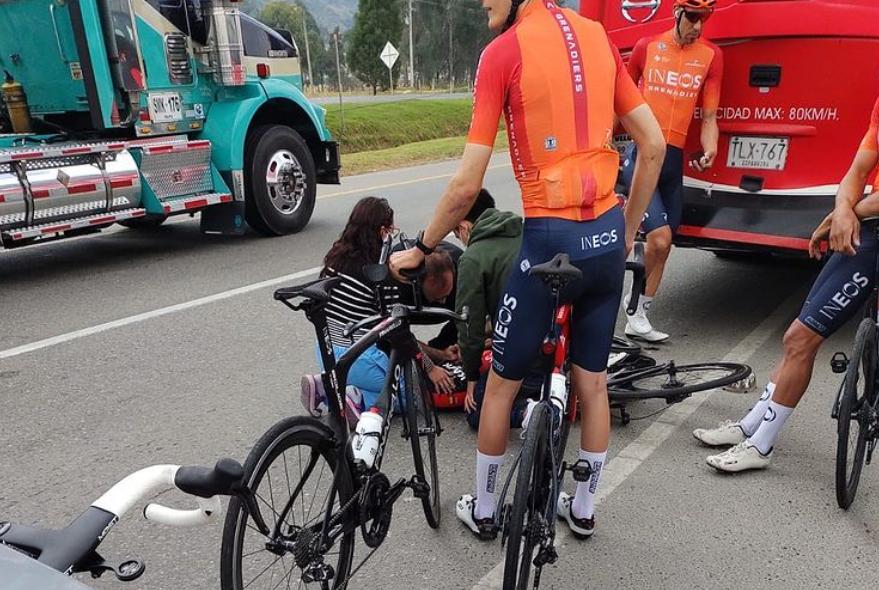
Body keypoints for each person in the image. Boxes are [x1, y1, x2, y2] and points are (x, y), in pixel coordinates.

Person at [391, 0, 665, 539]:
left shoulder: (502, 53)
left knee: (500, 385)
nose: (482, 2)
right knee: (593, 381)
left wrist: (421, 249)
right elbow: (652, 145)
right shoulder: (598, 37)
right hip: (607, 235)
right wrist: (628, 230)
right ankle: (584, 508)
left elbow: (468, 185)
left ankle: (486, 510)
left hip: (548, 239)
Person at [693, 96, 879, 472]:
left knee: (799, 339)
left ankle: (760, 446)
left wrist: (841, 217)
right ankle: (752, 428)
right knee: (798, 339)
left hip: (867, 219)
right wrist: (842, 209)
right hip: (867, 224)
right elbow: (857, 170)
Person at [620, 0, 723, 342]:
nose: (698, 26)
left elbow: (709, 117)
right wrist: (605, 143)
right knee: (658, 237)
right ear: (677, 13)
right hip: (644, 153)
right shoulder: (646, 47)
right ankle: (630, 307)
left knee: (665, 245)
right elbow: (619, 98)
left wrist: (711, 148)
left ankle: (639, 311)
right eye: (693, 17)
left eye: (704, 19)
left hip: (673, 159)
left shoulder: (711, 56)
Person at [299, 197, 454, 422]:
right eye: (391, 229)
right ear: (382, 230)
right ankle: (357, 400)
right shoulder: (380, 272)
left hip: (327, 352)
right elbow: (396, 331)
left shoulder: (335, 259)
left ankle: (323, 386)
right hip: (359, 357)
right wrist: (431, 368)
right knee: (409, 396)